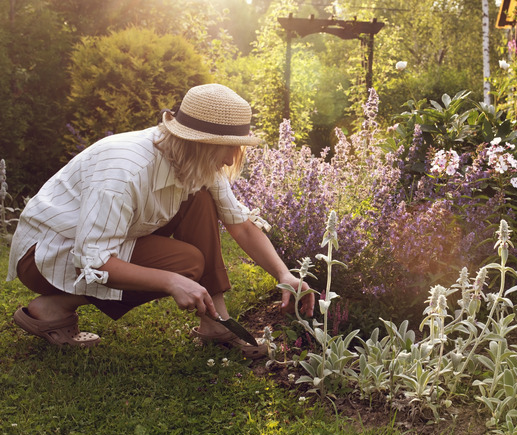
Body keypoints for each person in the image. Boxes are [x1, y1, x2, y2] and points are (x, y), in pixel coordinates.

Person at [6, 83, 314, 358]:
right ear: (200, 142)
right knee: (186, 264)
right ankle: (56, 306)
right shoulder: (125, 171)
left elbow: (240, 224)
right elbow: (95, 261)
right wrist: (171, 280)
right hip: (47, 255)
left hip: (98, 242)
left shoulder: (192, 160)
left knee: (202, 199)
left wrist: (283, 274)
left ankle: (215, 323)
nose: (232, 160)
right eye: (228, 148)